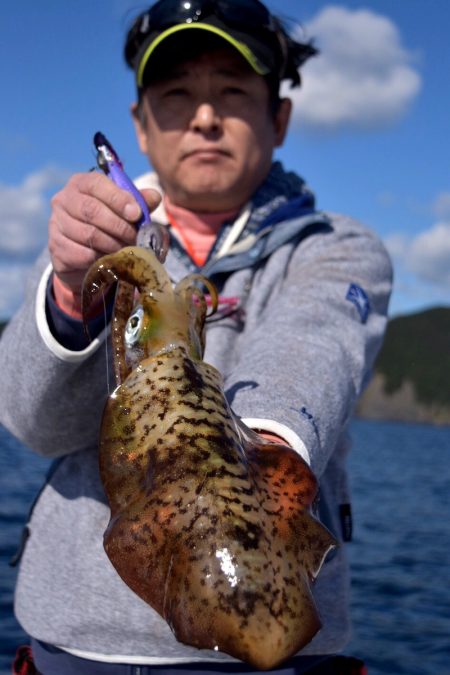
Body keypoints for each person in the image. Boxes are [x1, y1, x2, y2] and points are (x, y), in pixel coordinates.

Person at [1, 1, 391, 673]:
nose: (205, 117)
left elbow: (312, 348)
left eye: (233, 93)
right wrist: (70, 295)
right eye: (177, 96)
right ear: (141, 129)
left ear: (280, 118)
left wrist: (253, 455)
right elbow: (35, 422)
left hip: (274, 653)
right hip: (78, 645)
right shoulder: (87, 249)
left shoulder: (336, 248)